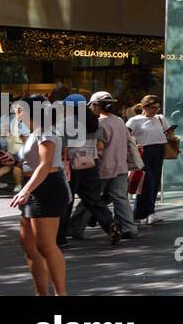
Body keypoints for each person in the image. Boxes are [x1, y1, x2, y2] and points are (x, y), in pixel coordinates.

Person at [10, 96, 70, 296]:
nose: (15, 114)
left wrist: (25, 190)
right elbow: (35, 162)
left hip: (47, 188)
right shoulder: (35, 132)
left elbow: (46, 165)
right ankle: (41, 293)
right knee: (29, 245)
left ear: (27, 111)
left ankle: (61, 294)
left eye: (17, 110)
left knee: (45, 245)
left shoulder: (46, 132)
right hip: (35, 186)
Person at [66, 100, 116, 243]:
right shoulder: (94, 122)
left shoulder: (68, 122)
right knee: (93, 198)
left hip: (73, 164)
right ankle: (110, 224)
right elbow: (100, 145)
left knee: (67, 199)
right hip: (90, 163)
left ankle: (60, 235)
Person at [89, 92, 136, 242]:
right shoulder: (120, 121)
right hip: (121, 165)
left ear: (96, 105)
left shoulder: (99, 123)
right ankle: (129, 227)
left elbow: (98, 148)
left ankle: (74, 227)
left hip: (103, 168)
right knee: (121, 198)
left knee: (90, 198)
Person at [126, 94, 173, 225]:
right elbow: (125, 136)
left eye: (157, 108)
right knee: (148, 182)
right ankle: (149, 212)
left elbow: (168, 134)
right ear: (143, 107)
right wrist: (134, 144)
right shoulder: (134, 121)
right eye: (152, 107)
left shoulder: (160, 118)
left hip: (158, 151)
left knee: (155, 182)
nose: (155, 110)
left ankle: (141, 214)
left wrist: (170, 134)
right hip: (142, 152)